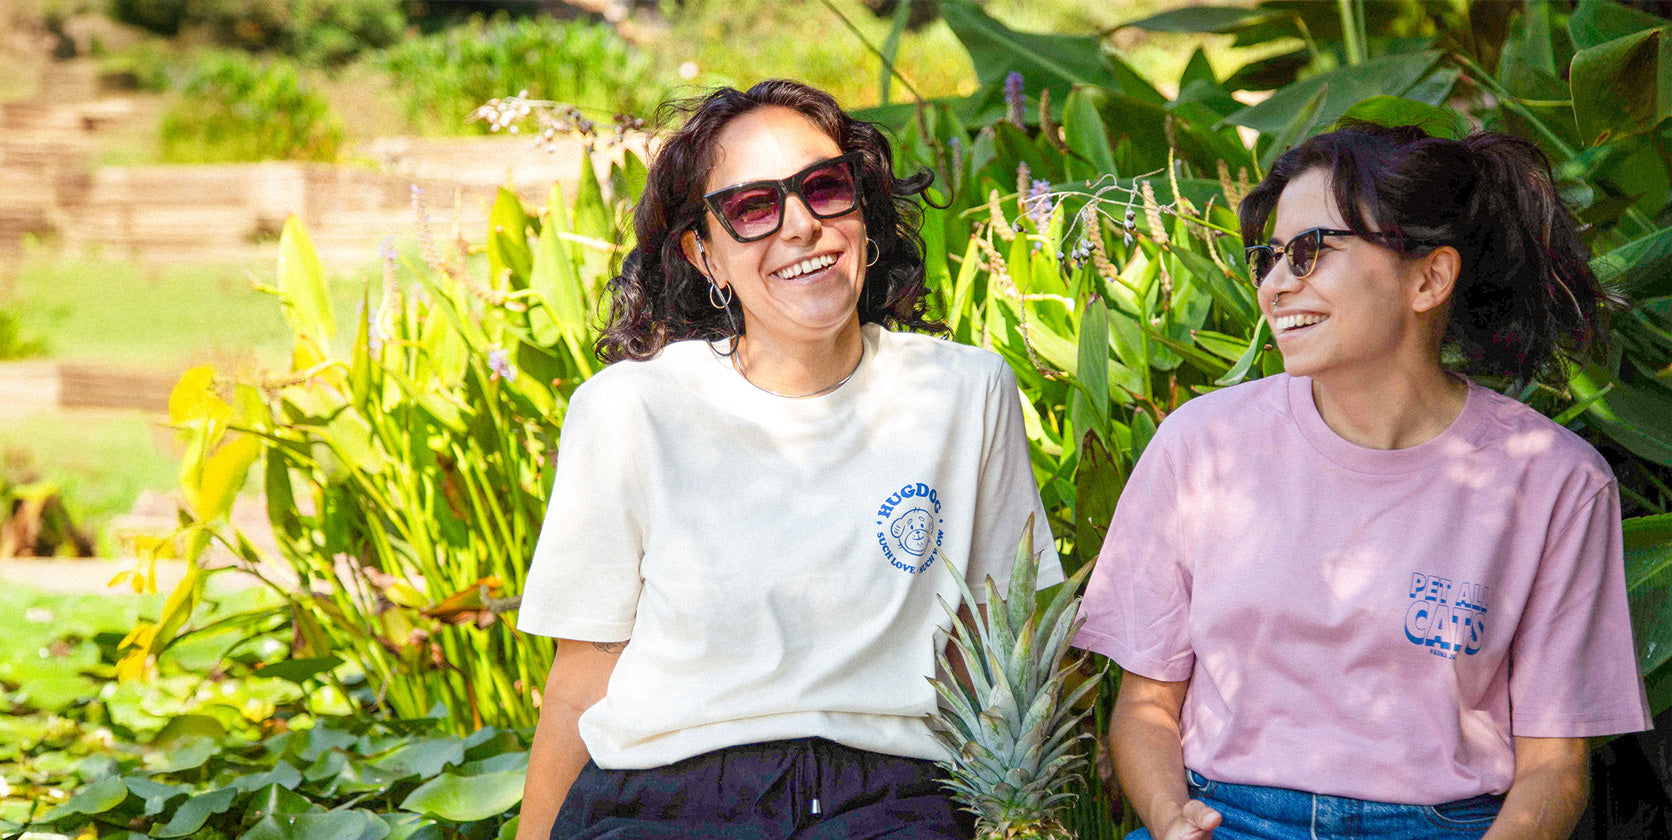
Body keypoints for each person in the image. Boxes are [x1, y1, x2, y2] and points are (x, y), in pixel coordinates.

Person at [1071, 122, 1652, 840]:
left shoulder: (1556, 483)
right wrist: (1170, 818)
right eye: (1270, 258)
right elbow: (1146, 709)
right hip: (1228, 819)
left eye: (1311, 251)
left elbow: (1554, 769)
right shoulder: (1201, 444)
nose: (1278, 284)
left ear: (1429, 278)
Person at [513, 78, 1058, 840]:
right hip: (660, 796)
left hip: (889, 800)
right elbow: (582, 680)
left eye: (824, 188)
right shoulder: (629, 410)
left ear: (862, 214)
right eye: (752, 207)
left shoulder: (965, 394)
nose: (800, 224)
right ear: (705, 255)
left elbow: (999, 651)